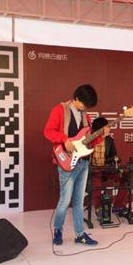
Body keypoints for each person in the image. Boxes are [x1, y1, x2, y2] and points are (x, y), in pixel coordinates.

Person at [44, 84, 106, 246]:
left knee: (79, 201)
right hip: (66, 161)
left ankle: (80, 234)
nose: (86, 108)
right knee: (65, 200)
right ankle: (58, 230)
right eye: (84, 104)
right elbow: (48, 131)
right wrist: (64, 140)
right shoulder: (59, 110)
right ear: (76, 98)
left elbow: (89, 141)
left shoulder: (86, 117)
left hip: (83, 162)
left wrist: (101, 136)